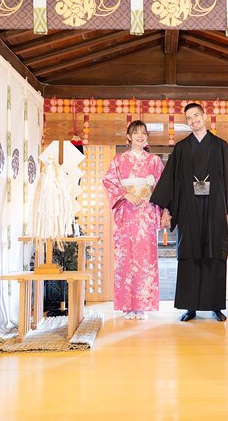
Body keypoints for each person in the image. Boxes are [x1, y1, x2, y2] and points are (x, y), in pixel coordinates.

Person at [151, 103, 228, 322]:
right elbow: (171, 180)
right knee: (189, 252)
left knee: (215, 253)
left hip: (215, 207)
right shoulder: (182, 148)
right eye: (189, 118)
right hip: (189, 208)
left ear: (204, 116)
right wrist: (167, 209)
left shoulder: (221, 146)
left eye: (196, 115)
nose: (193, 120)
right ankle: (190, 306)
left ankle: (215, 306)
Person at [102, 121, 165, 320]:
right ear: (128, 137)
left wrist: (163, 211)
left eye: (143, 133)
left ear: (147, 137)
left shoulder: (154, 161)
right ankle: (127, 305)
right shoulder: (119, 160)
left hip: (146, 213)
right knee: (125, 258)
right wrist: (125, 194)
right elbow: (108, 181)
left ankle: (143, 305)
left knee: (145, 258)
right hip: (126, 213)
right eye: (135, 132)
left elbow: (163, 187)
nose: (140, 136)